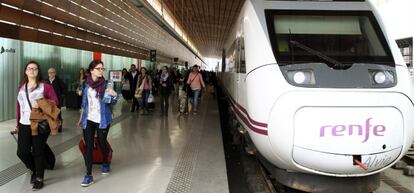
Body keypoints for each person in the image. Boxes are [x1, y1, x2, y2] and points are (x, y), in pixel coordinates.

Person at [16, 61, 59, 190]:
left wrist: (40, 103)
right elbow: (19, 107)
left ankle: (39, 178)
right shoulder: (22, 87)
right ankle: (34, 170)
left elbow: (55, 102)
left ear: (38, 71)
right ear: (25, 71)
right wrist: (18, 124)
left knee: (37, 151)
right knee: (22, 152)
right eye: (30, 68)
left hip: (40, 123)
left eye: (35, 69)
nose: (32, 71)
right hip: (24, 123)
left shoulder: (45, 87)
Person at [77, 60, 119, 187]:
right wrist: (80, 117)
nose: (101, 71)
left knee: (101, 142)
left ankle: (105, 161)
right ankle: (88, 175)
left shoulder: (107, 84)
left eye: (102, 68)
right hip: (88, 119)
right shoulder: (86, 84)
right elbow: (84, 103)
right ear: (91, 70)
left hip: (103, 119)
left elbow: (112, 102)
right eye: (98, 68)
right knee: (88, 146)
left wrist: (115, 95)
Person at [46, 67, 66, 132]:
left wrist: (61, 97)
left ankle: (59, 126)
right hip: (48, 101)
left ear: (55, 73)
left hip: (57, 101)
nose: (50, 74)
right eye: (49, 73)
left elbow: (64, 89)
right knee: (49, 114)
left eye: (52, 72)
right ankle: (50, 126)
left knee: (58, 114)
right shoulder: (46, 81)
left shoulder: (59, 81)